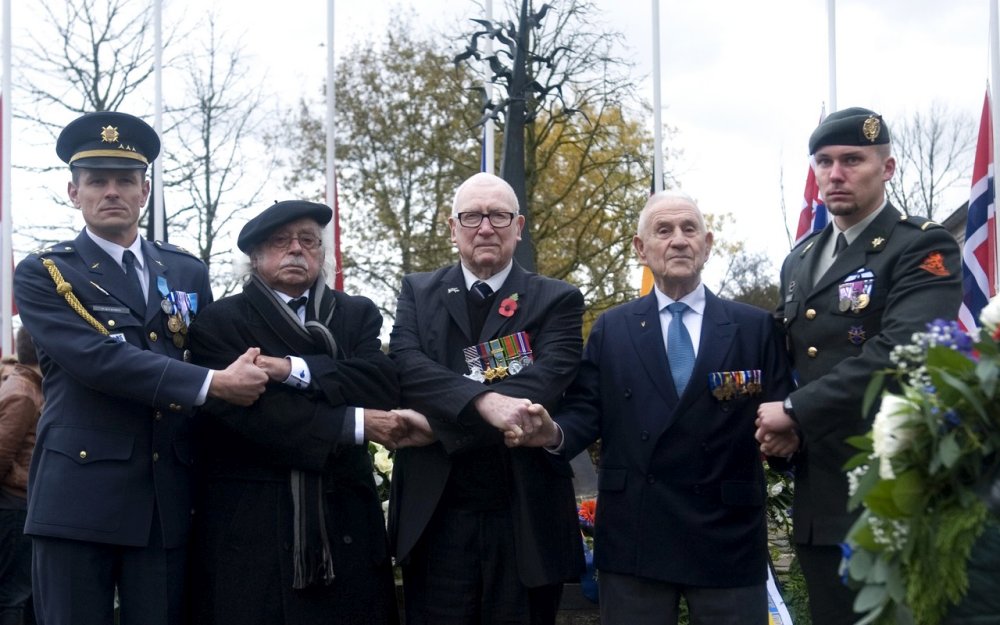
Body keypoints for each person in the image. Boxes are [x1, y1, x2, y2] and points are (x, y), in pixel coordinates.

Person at [12, 111, 269, 625]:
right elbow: (99, 359)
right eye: (97, 181)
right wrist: (212, 384)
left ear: (144, 190)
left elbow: (213, 350)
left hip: (166, 497)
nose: (112, 192)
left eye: (125, 180)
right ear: (73, 192)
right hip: (78, 499)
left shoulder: (186, 270)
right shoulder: (45, 273)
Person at [508, 190, 794, 625]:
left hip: (728, 531)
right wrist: (552, 433)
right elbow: (587, 410)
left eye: (689, 229)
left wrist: (786, 442)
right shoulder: (613, 328)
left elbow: (780, 420)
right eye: (663, 230)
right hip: (636, 531)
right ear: (641, 248)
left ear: (707, 243)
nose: (678, 240)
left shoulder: (753, 327)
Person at [754, 107, 962, 625]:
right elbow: (788, 352)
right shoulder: (800, 259)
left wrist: (795, 411)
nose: (836, 174)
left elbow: (900, 352)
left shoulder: (920, 245)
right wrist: (780, 430)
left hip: (892, 489)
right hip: (820, 491)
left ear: (887, 168)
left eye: (852, 160)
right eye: (824, 162)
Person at [188, 200, 414, 625]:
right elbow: (253, 418)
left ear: (322, 254)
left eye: (308, 240)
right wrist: (354, 420)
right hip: (252, 522)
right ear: (254, 257)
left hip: (345, 516)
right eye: (280, 241)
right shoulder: (219, 323)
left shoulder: (356, 313)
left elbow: (382, 384)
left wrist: (293, 370)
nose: (296, 249)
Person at [387, 172, 585, 625]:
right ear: (452, 227)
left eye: (498, 215)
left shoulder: (558, 300)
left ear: (519, 226)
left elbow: (544, 383)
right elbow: (406, 366)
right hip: (435, 523)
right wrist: (483, 404)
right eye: (472, 216)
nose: (485, 227)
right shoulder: (417, 292)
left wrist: (439, 424)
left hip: (523, 523)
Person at [0, 328, 43, 625]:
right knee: (15, 595)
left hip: (19, 503)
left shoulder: (26, 387)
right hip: (16, 505)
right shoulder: (24, 393)